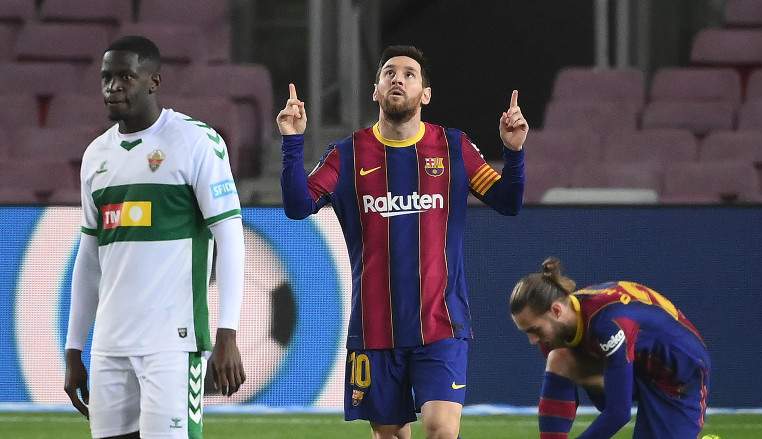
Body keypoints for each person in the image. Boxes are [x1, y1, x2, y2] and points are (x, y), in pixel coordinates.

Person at [277, 45, 526, 438]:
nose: (398, 79)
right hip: (374, 330)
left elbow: (507, 202)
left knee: (441, 430)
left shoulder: (454, 148)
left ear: (425, 94)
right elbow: (297, 206)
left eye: (410, 74)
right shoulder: (346, 155)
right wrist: (293, 142)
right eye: (389, 73)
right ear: (375, 90)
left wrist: (513, 153)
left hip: (441, 324)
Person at [63, 35, 246, 439]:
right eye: (106, 78)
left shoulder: (196, 141)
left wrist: (227, 332)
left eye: (126, 77)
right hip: (110, 345)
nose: (113, 87)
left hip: (173, 344)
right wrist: (74, 348)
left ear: (154, 81)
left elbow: (230, 236)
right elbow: (89, 256)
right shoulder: (96, 156)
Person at [509, 258, 711, 439]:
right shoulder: (559, 329)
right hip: (633, 363)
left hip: (678, 373)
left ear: (556, 310)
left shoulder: (607, 323)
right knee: (560, 358)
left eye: (534, 330)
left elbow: (618, 413)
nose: (532, 340)